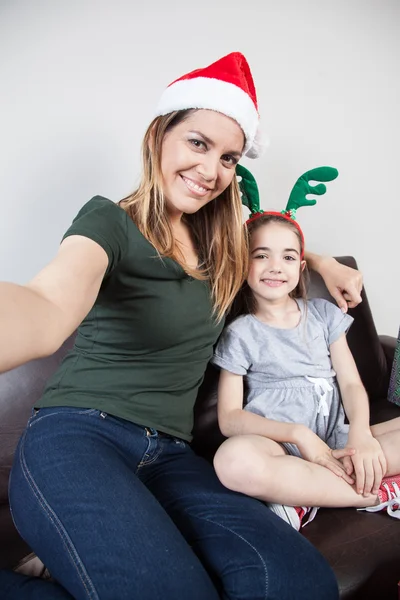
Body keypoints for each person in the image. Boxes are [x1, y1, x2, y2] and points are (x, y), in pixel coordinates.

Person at [0, 53, 360, 600]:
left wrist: (324, 262)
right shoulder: (109, 221)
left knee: (298, 582)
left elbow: (277, 250)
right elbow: (47, 305)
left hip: (170, 456)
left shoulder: (225, 246)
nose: (212, 170)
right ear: (158, 137)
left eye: (229, 158)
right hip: (77, 438)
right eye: (198, 143)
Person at [212, 166, 400, 532]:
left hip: (335, 440)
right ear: (243, 263)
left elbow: (349, 384)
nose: (274, 267)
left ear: (301, 266)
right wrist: (298, 434)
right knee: (233, 461)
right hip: (278, 448)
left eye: (286, 257)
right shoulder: (240, 333)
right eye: (261, 255)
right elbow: (229, 418)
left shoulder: (323, 316)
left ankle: (303, 495)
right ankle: (377, 493)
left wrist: (360, 433)